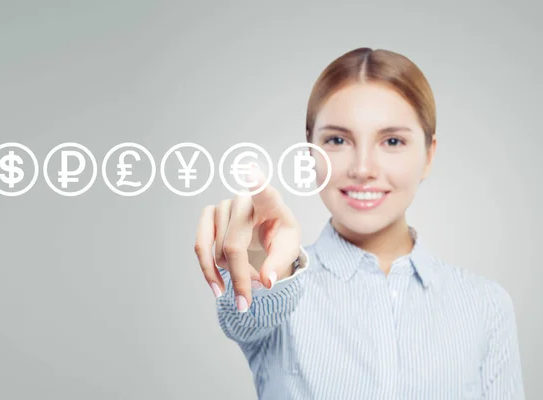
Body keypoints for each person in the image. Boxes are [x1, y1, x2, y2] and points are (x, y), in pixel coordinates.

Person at [193, 47, 525, 399]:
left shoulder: (485, 305)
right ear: (310, 154)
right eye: (337, 140)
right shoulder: (286, 287)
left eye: (392, 141)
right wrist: (260, 261)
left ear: (428, 155)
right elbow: (246, 317)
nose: (363, 168)